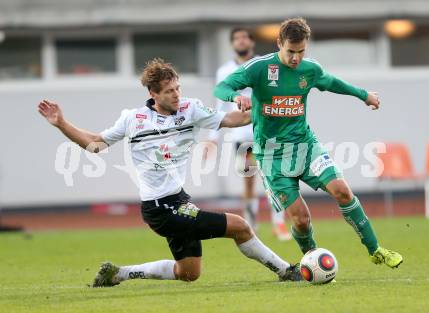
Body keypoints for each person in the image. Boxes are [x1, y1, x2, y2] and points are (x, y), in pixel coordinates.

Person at [38, 58, 303, 287]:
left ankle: (119, 273)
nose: (177, 95)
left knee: (188, 273)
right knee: (240, 226)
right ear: (153, 93)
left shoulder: (190, 108)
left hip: (179, 200)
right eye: (169, 91)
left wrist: (268, 108)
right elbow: (95, 143)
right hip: (159, 208)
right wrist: (61, 123)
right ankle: (286, 271)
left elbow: (232, 119)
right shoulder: (133, 119)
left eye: (178, 88)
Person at [214, 18, 403, 268]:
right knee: (301, 220)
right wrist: (235, 96)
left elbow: (333, 82)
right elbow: (222, 87)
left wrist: (364, 95)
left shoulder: (309, 69)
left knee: (343, 191)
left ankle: (375, 249)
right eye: (291, 51)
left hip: (306, 146)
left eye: (301, 51)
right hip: (272, 156)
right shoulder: (259, 68)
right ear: (279, 43)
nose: (295, 58)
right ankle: (315, 263)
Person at [210, 27, 290, 240]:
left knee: (275, 178)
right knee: (249, 181)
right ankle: (252, 223)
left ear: (252, 42)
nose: (241, 41)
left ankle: (279, 224)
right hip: (240, 135)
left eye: (245, 37)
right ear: (232, 43)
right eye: (237, 38)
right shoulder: (224, 71)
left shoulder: (265, 65)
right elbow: (220, 104)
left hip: (266, 132)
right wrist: (213, 137)